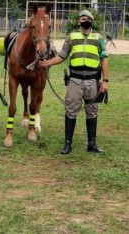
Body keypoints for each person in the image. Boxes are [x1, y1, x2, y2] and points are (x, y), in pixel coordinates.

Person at [38, 10, 110, 155]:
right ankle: (67, 144)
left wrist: (105, 81)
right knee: (71, 110)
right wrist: (47, 63)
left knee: (92, 111)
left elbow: (104, 59)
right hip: (75, 80)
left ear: (92, 21)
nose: (85, 20)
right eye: (83, 18)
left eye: (88, 18)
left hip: (92, 80)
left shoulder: (98, 38)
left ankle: (92, 143)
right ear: (79, 21)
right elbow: (62, 55)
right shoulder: (71, 37)